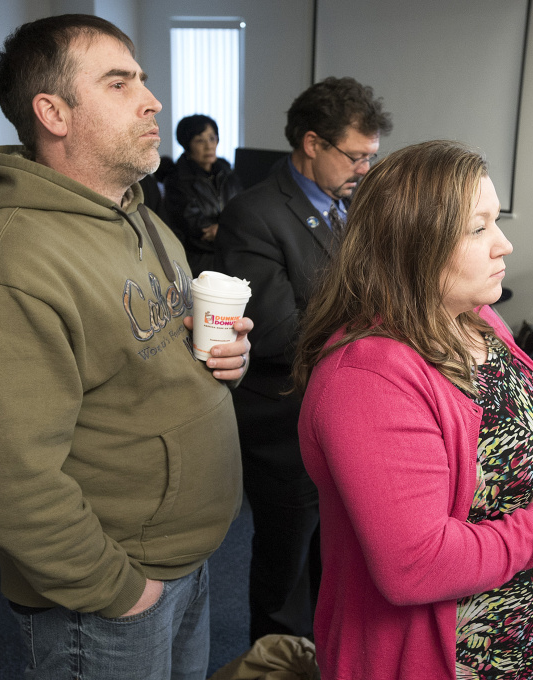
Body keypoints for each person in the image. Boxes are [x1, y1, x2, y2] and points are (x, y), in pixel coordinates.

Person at [0, 15, 252, 679]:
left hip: (185, 557)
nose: (152, 99)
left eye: (141, 77)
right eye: (118, 82)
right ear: (53, 112)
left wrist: (227, 357)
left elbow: (163, 350)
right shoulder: (5, 271)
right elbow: (0, 482)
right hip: (108, 595)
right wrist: (119, 590)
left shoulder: (139, 215)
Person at [293, 140, 533, 680]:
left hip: (508, 622)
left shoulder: (473, 318)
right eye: (479, 229)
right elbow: (412, 565)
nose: (505, 244)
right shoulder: (367, 377)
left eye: (496, 222)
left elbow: (493, 444)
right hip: (429, 656)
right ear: (413, 245)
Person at [214, 76, 392, 642]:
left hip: (348, 413)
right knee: (285, 570)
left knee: (338, 556)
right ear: (312, 143)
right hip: (284, 421)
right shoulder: (255, 214)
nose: (365, 169)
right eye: (356, 156)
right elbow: (274, 332)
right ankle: (275, 661)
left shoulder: (354, 205)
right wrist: (378, 334)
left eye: (371, 157)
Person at [165, 115, 243, 275]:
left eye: (212, 138)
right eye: (200, 140)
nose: (209, 146)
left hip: (233, 251)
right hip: (199, 259)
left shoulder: (227, 173)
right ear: (187, 145)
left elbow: (244, 210)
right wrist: (233, 231)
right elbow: (196, 227)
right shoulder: (178, 179)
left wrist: (222, 230)